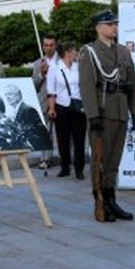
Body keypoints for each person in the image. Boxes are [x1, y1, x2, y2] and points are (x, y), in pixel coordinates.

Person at [79, 10, 135, 222]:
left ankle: (111, 199)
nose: (114, 27)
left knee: (114, 160)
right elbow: (87, 87)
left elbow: (131, 85)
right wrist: (93, 115)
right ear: (98, 27)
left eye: (115, 24)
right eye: (109, 24)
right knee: (100, 160)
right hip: (102, 113)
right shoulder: (89, 52)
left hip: (121, 111)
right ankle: (101, 201)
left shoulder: (123, 52)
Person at [46, 42, 87, 179]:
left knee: (79, 138)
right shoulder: (55, 67)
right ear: (68, 52)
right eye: (74, 51)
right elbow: (51, 90)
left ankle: (79, 168)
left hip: (78, 106)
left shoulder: (78, 67)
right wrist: (52, 108)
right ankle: (65, 167)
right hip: (61, 106)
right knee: (63, 139)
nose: (76, 53)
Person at [32, 34, 59, 169]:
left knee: (63, 131)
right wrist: (41, 74)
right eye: (46, 45)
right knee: (45, 131)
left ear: (56, 46)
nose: (48, 48)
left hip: (61, 100)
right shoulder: (38, 63)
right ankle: (45, 158)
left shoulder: (62, 61)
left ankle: (66, 157)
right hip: (44, 101)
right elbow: (34, 85)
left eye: (51, 45)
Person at [4, 83, 50, 149]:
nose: (7, 97)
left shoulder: (28, 110)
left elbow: (38, 132)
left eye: (10, 94)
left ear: (18, 95)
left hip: (35, 147)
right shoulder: (15, 111)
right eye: (6, 95)